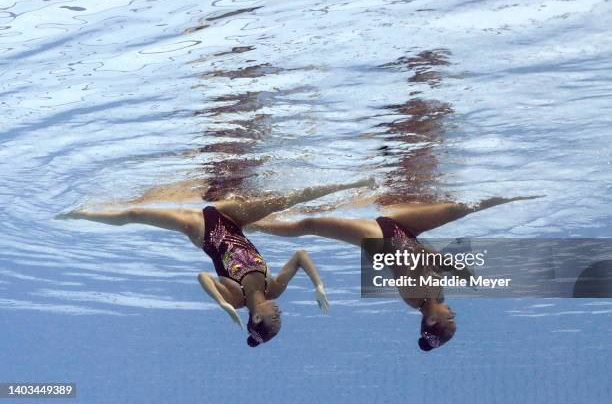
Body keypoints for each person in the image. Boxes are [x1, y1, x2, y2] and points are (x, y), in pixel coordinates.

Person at [56, 179, 372, 347]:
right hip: (234, 221)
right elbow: (301, 256)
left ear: (258, 320)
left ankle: (81, 213)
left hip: (203, 230)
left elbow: (203, 276)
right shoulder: (273, 289)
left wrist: (223, 304)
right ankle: (351, 184)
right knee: (286, 200)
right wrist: (318, 284)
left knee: (135, 215)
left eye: (275, 321)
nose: (279, 316)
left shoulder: (235, 298)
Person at [248, 195, 541, 350]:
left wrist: (454, 267)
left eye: (449, 321)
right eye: (453, 320)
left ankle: (251, 224)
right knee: (460, 208)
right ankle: (518, 194)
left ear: (430, 320)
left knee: (310, 226)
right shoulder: (435, 296)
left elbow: (415, 254)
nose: (454, 314)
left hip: (381, 235)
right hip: (407, 231)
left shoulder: (414, 295)